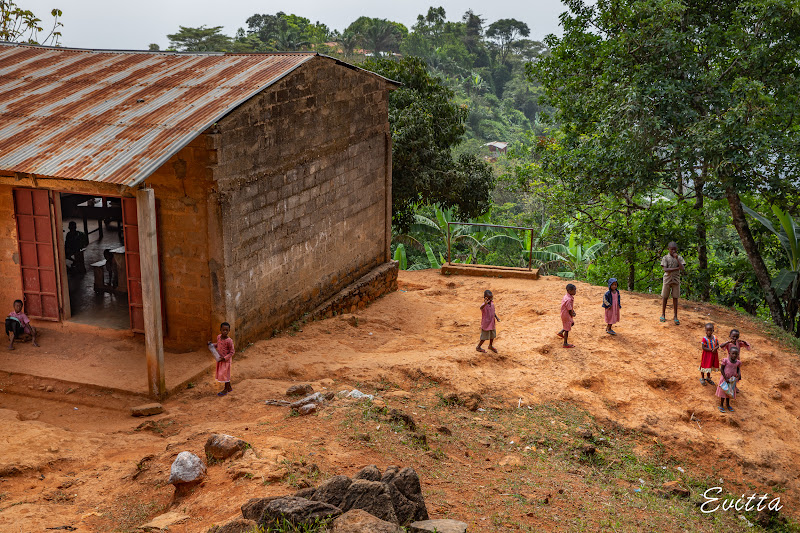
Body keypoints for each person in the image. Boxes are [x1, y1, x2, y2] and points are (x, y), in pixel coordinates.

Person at [660, 242, 686, 325]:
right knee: (665, 297)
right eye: (672, 249)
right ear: (668, 249)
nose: (673, 251)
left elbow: (682, 268)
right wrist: (677, 268)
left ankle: (675, 316)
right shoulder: (665, 258)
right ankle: (663, 314)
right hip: (667, 279)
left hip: (676, 280)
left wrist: (677, 259)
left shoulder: (680, 258)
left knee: (675, 297)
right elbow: (665, 269)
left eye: (675, 249)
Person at [210, 322, 235, 396]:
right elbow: (218, 344)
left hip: (225, 361)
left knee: (225, 374)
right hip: (219, 359)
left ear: (229, 331)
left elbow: (232, 352)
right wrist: (212, 345)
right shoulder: (218, 337)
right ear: (220, 330)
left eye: (227, 330)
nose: (225, 332)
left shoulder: (229, 341)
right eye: (223, 330)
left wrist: (224, 358)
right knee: (225, 374)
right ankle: (229, 387)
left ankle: (225, 390)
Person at [716, 346, 742, 413]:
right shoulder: (725, 360)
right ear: (729, 353)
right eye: (733, 353)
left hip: (732, 380)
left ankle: (728, 404)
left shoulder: (738, 362)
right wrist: (725, 377)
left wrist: (739, 375)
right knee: (723, 392)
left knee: (729, 392)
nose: (734, 355)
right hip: (725, 379)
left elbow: (738, 369)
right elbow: (721, 369)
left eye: (736, 354)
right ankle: (721, 405)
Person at [557, 283, 577, 348]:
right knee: (567, 329)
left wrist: (572, 312)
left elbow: (570, 308)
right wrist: (572, 314)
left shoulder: (567, 296)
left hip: (565, 313)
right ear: (569, 291)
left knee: (571, 323)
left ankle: (561, 332)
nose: (575, 292)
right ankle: (565, 343)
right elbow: (569, 309)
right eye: (574, 290)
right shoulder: (568, 299)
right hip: (566, 314)